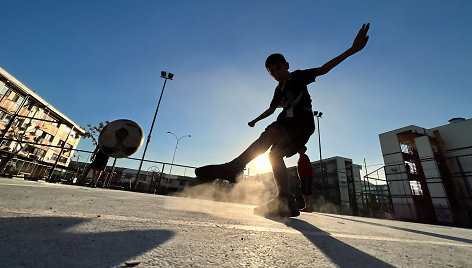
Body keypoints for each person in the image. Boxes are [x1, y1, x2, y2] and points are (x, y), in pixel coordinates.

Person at [195, 23, 370, 217]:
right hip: (293, 129)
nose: (276, 73)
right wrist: (254, 120)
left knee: (272, 132)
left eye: (278, 68)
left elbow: (323, 69)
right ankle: (285, 198)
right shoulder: (278, 90)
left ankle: (234, 167)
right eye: (272, 72)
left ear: (287, 65)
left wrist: (352, 50)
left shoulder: (298, 76)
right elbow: (271, 109)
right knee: (274, 156)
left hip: (301, 121)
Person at [297, 146, 314, 212]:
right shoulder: (301, 157)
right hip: (304, 177)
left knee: (307, 192)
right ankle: (308, 207)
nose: (298, 150)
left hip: (306, 177)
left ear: (303, 150)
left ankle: (308, 207)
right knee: (305, 191)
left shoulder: (304, 156)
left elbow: (308, 167)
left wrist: (306, 176)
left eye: (299, 148)